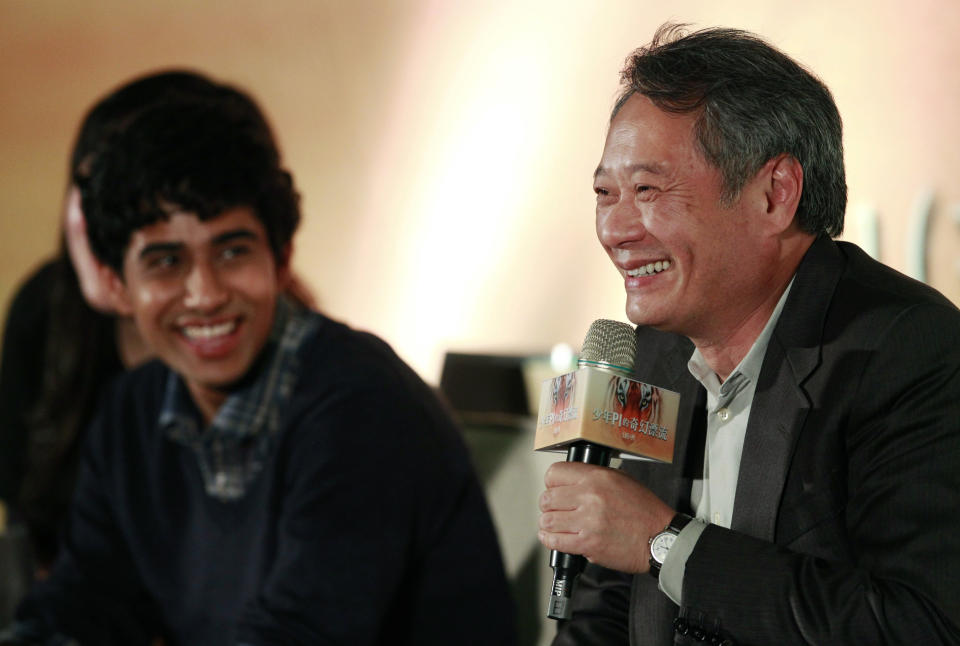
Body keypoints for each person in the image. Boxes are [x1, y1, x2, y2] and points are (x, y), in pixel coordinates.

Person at [2, 89, 515, 643]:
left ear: (282, 256)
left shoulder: (363, 405)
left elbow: (300, 632)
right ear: (116, 285)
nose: (205, 295)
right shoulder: (132, 413)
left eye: (231, 252)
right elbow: (79, 609)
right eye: (166, 262)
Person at [538, 24, 960, 645]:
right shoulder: (652, 355)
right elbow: (605, 610)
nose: (616, 228)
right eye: (605, 193)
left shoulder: (906, 350)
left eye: (648, 190)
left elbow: (921, 625)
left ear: (774, 194)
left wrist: (665, 545)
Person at [0, 70, 314, 577]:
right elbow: (36, 551)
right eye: (86, 185)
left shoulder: (326, 386)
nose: (205, 294)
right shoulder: (45, 312)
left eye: (230, 250)